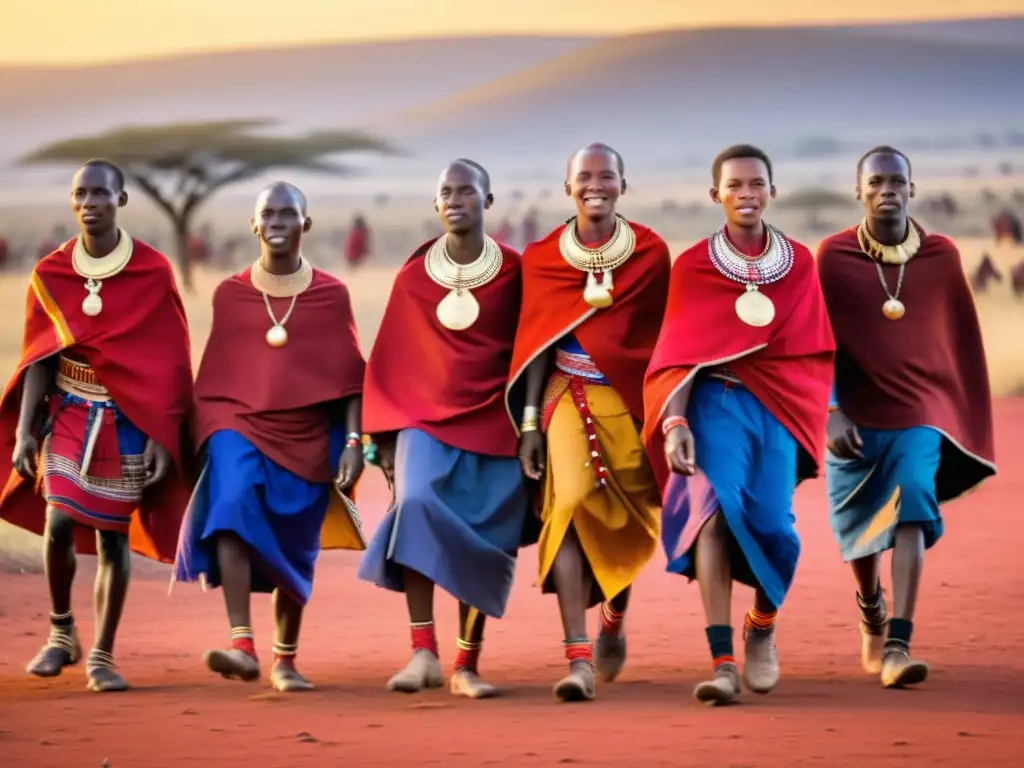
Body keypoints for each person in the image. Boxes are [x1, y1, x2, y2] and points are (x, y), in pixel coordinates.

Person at [642, 144, 835, 706]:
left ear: (772, 191)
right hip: (714, 404)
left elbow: (816, 348)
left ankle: (762, 623)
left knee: (776, 527)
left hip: (776, 409)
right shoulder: (694, 267)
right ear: (716, 195)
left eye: (757, 184)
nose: (747, 194)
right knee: (712, 517)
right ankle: (722, 661)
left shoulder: (799, 262)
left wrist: (819, 414)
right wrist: (675, 420)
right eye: (735, 185)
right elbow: (676, 352)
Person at [0, 159, 194, 692]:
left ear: (121, 201)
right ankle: (61, 633)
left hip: (129, 420)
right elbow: (39, 357)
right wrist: (24, 432)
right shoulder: (51, 273)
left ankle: (103, 656)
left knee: (112, 538)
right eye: (80, 194)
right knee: (59, 520)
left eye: (100, 194)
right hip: (67, 412)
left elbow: (173, 360)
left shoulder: (153, 271)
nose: (89, 203)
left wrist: (161, 434)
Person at [173, 182, 367, 692]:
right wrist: (208, 433)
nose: (277, 221)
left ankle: (285, 659)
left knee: (295, 545)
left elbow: (350, 381)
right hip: (239, 424)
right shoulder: (231, 295)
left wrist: (352, 444)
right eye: (268, 214)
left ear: (306, 224)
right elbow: (215, 379)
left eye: (288, 213)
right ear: (254, 225)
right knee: (231, 503)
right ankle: (241, 643)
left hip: (306, 437)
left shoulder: (331, 295)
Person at [817, 146, 996, 688]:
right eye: (875, 182)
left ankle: (898, 643)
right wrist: (829, 410)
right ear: (859, 191)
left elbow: (958, 340)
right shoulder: (834, 256)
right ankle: (870, 606)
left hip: (920, 409)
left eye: (897, 181)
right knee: (858, 529)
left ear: (912, 190)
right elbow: (812, 341)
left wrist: (952, 406)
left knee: (914, 499)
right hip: (853, 412)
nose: (886, 190)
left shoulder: (941, 257)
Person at [358, 160, 527, 699]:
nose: (455, 200)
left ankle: (467, 664)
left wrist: (532, 424)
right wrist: (382, 439)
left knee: (487, 531)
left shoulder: (516, 271)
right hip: (423, 421)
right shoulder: (413, 276)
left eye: (467, 191)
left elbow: (535, 348)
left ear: (488, 200)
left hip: (496, 421)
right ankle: (423, 653)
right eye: (446, 193)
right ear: (436, 205)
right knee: (417, 505)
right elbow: (390, 359)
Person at [508, 143, 670, 702]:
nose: (594, 185)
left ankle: (614, 618)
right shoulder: (543, 257)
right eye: (584, 177)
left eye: (606, 176)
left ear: (623, 185)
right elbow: (534, 347)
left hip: (630, 404)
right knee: (573, 505)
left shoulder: (651, 253)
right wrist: (530, 425)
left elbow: (663, 344)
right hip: (566, 396)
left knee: (625, 521)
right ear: (567, 186)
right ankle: (577, 659)